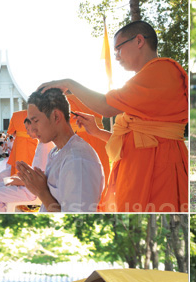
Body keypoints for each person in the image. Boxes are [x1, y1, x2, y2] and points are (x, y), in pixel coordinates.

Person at [38, 20, 188, 212]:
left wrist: (69, 83)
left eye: (118, 49)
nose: (116, 56)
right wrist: (97, 132)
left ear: (139, 40)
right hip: (138, 169)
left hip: (159, 169)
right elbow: (136, 140)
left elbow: (106, 107)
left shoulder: (162, 70)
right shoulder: (146, 77)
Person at [15, 88, 104, 212]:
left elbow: (74, 223)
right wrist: (38, 183)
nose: (33, 129)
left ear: (56, 116)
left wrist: (41, 192)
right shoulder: (56, 151)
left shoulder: (77, 160)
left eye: (36, 121)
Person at [0, 119, 54, 212]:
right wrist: (23, 173)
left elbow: (43, 179)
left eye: (27, 129)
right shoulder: (42, 144)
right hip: (30, 187)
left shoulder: (45, 146)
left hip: (32, 191)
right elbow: (40, 171)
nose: (26, 132)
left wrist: (21, 181)